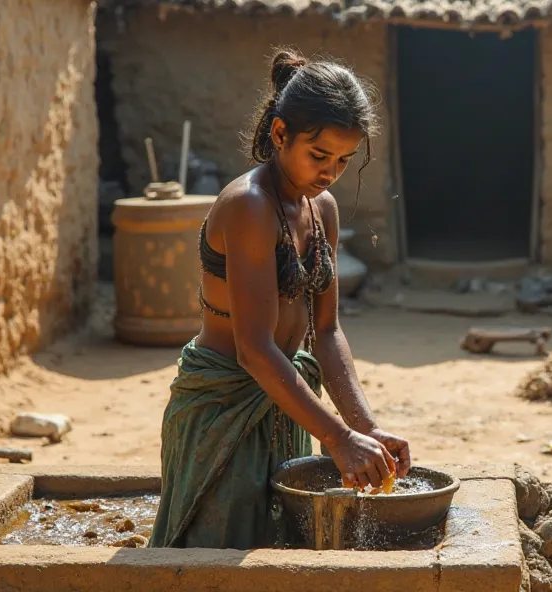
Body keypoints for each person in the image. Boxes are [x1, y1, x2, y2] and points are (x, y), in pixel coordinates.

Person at [149, 48, 411, 549]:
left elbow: (327, 331)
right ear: (279, 133)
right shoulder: (249, 207)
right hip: (225, 404)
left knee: (276, 549)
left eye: (343, 160)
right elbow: (253, 348)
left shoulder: (322, 209)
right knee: (217, 558)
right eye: (319, 156)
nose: (330, 172)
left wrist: (365, 430)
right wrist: (336, 438)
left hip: (286, 398)